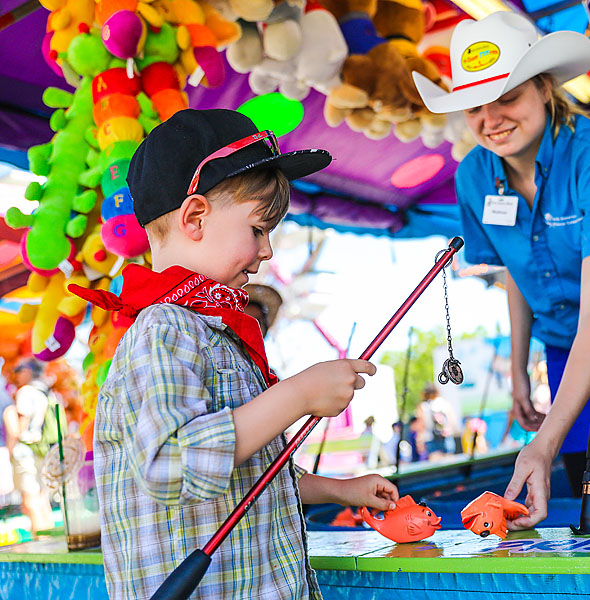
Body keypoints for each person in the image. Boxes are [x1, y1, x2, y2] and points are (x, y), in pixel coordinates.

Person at [71, 109, 399, 600]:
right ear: (196, 217)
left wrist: (340, 490)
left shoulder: (220, 334)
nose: (267, 251)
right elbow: (168, 463)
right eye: (258, 230)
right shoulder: (162, 330)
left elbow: (246, 469)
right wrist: (296, 395)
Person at [414, 12, 590, 530]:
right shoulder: (472, 176)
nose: (491, 118)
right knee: (587, 508)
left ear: (544, 88)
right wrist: (520, 365)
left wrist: (542, 440)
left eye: (507, 97)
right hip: (566, 346)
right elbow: (515, 274)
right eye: (475, 106)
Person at [3, 360, 55, 532]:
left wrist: (9, 417)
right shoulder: (43, 391)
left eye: (18, 370)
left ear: (27, 371)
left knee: (30, 498)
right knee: (41, 496)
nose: (15, 375)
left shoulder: (25, 392)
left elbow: (19, 427)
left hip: (24, 450)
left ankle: (41, 539)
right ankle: (49, 535)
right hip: (39, 449)